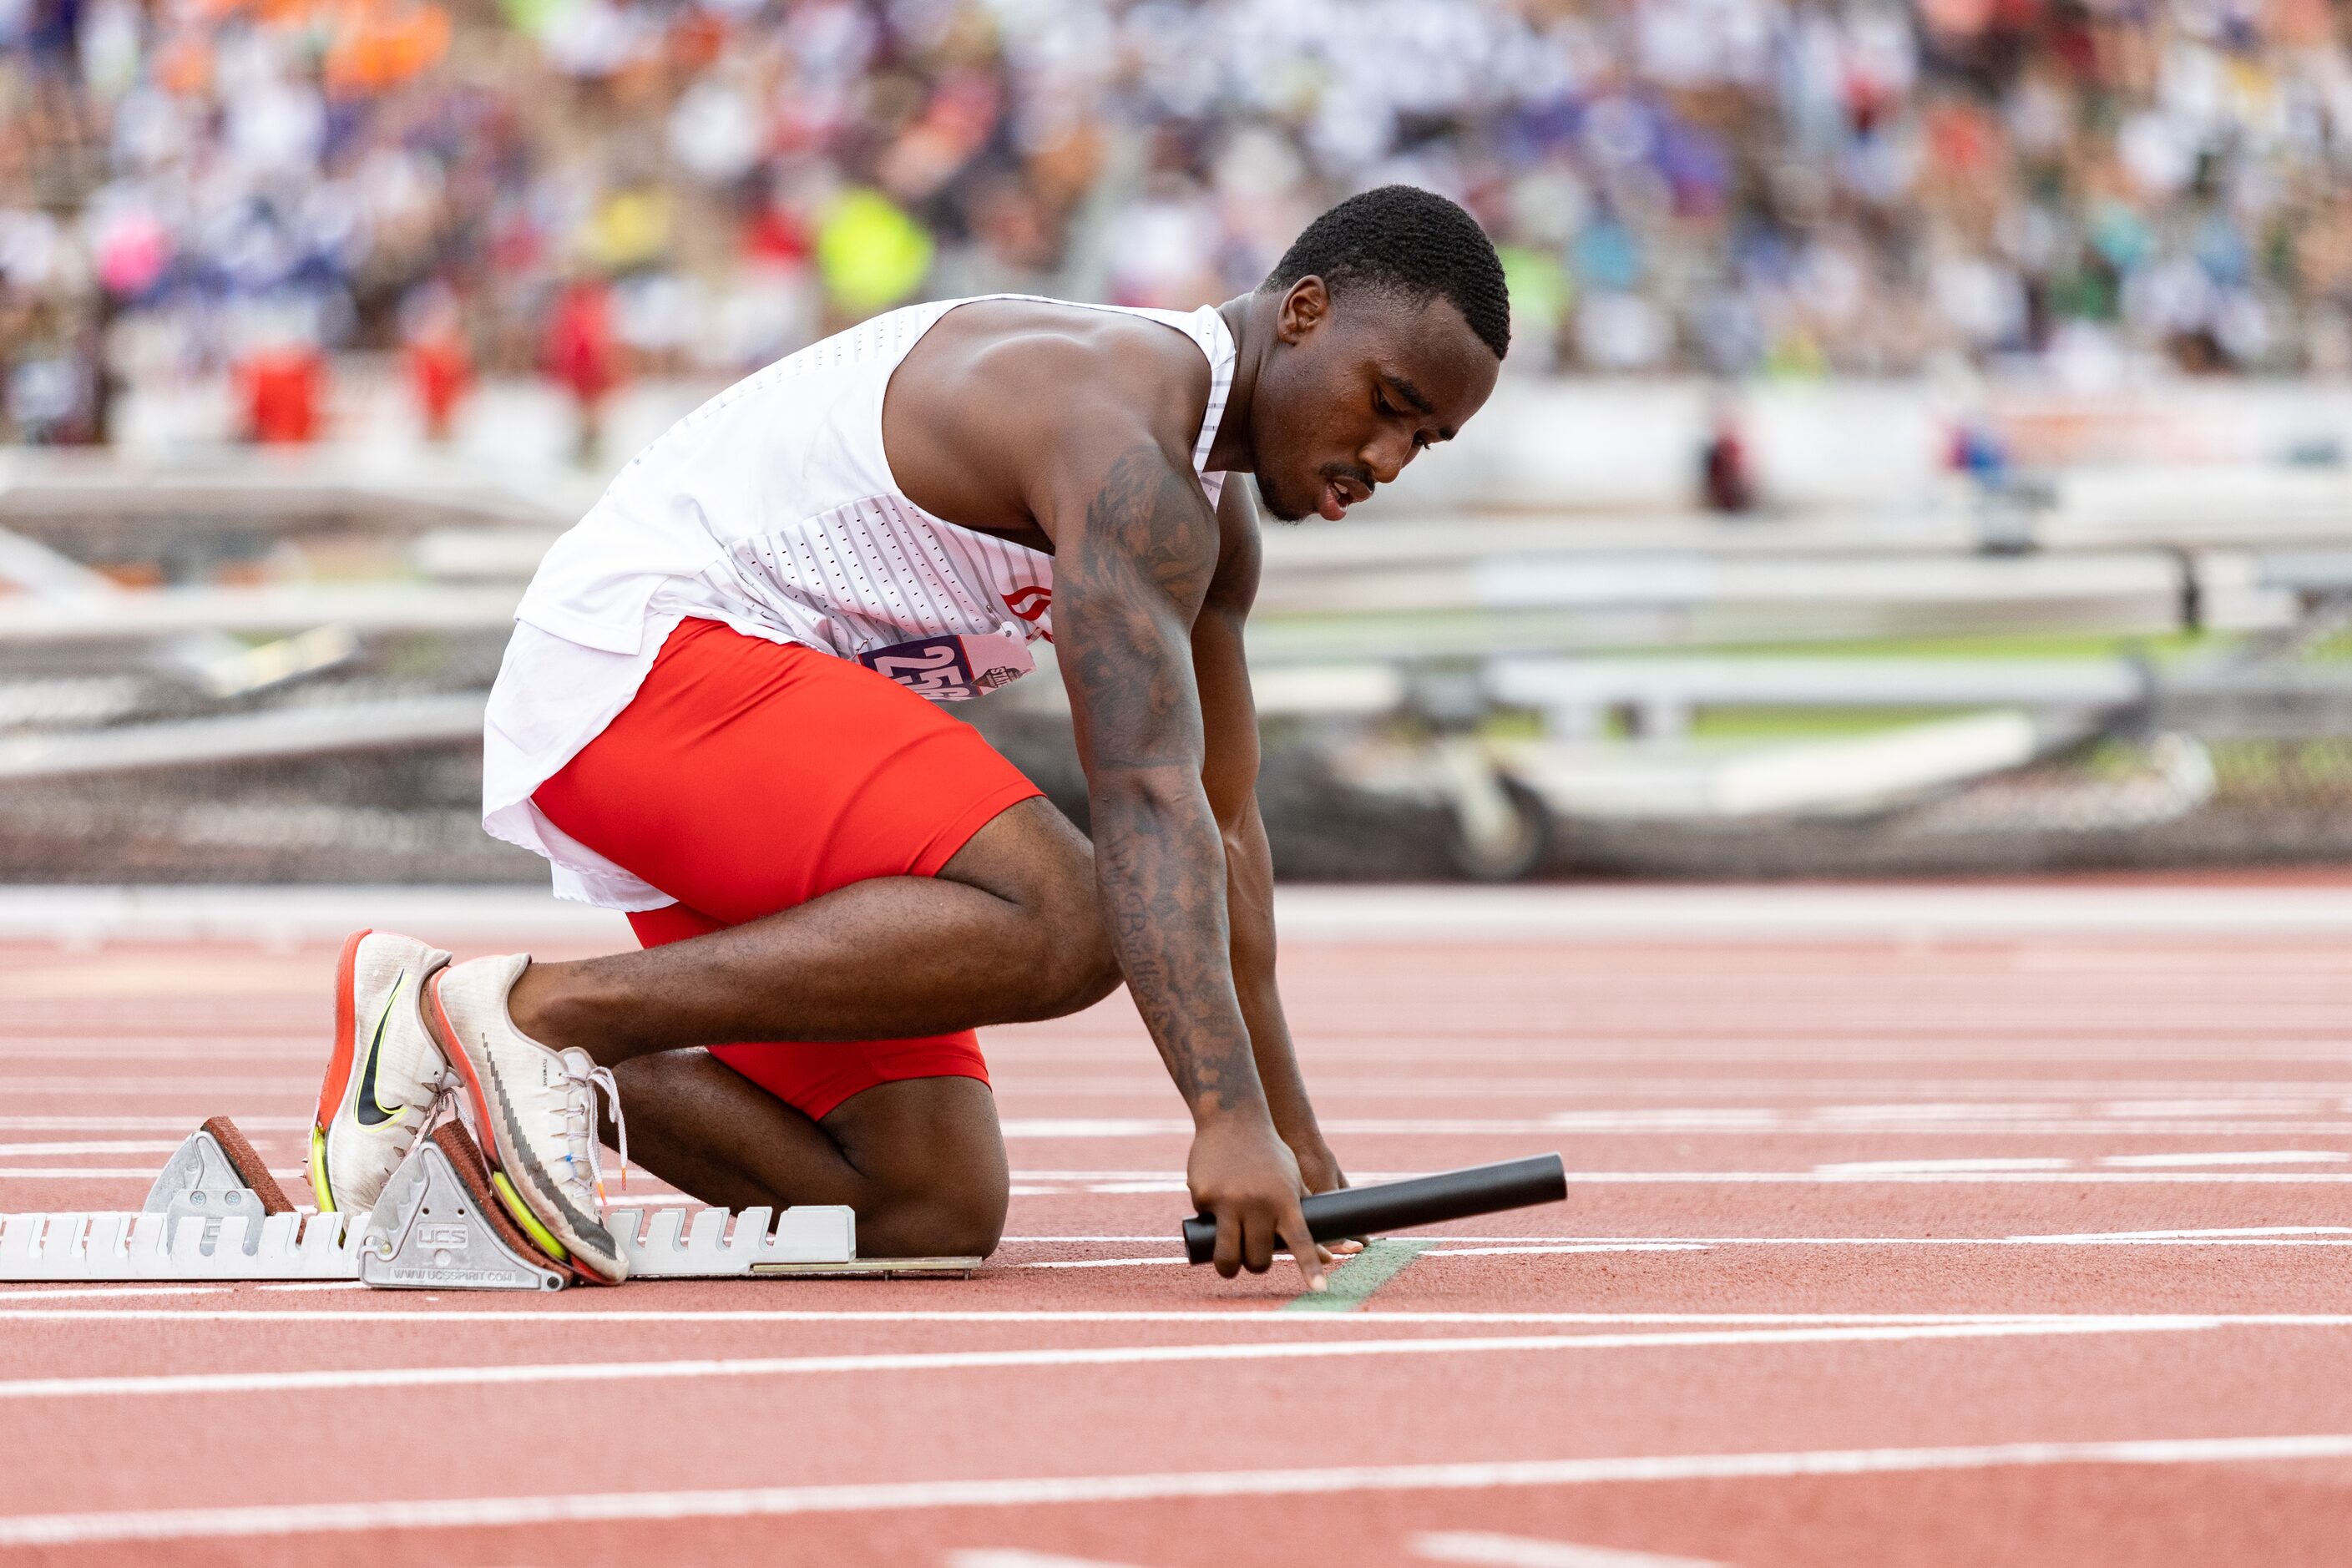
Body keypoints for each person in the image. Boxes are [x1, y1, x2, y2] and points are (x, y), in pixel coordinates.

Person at [307, 185, 1509, 1287]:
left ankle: (458, 1043)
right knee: (1073, 913)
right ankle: (529, 1014)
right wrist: (1221, 1115)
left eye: (1426, 441)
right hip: (640, 665)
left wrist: (1288, 1132)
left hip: (727, 731)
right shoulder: (1118, 432)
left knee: (922, 1204)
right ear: (1302, 312)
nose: (1388, 458)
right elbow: (1144, 802)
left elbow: (1222, 823)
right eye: (1389, 405)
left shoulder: (1210, 521)